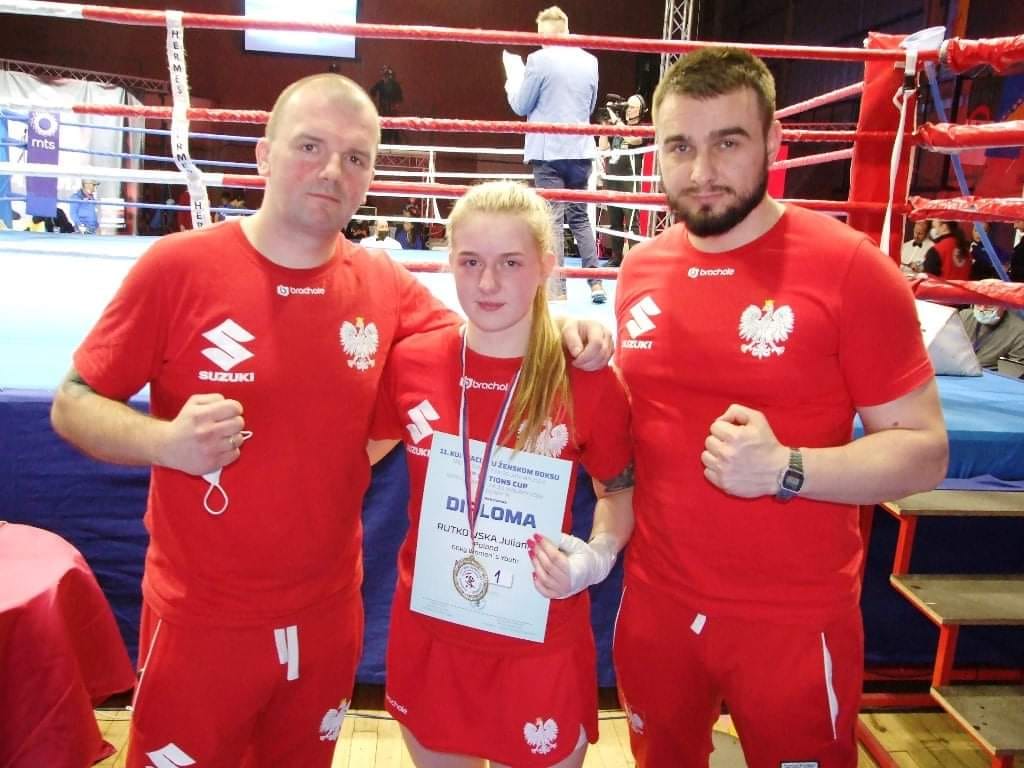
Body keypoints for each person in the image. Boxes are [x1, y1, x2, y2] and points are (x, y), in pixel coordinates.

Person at [49, 73, 611, 768]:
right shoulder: (179, 267)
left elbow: (491, 336)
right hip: (203, 619)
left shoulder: (383, 285)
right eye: (310, 146)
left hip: (327, 615)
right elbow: (72, 402)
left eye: (355, 157)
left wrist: (569, 328)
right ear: (263, 155)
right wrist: (162, 441)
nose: (331, 171)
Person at [612, 48, 948, 768]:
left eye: (727, 142)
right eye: (680, 146)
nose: (701, 170)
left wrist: (787, 469)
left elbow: (925, 448)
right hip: (656, 607)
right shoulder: (639, 269)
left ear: (772, 143)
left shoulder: (851, 269)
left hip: (791, 622)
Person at [368, 181, 634, 767]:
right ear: (449, 262)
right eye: (471, 262)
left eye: (510, 263)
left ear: (546, 264)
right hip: (434, 633)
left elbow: (618, 489)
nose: (487, 284)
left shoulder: (584, 377)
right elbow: (342, 462)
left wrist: (596, 558)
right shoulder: (411, 362)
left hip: (539, 635)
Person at [507, 6, 606, 304]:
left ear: (545, 33)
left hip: (549, 151)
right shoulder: (590, 61)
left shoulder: (539, 60)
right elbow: (588, 107)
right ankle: (596, 284)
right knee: (580, 218)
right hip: (580, 149)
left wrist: (512, 83)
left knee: (552, 218)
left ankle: (557, 290)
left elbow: (521, 105)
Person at [598, 94, 649, 266]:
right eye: (628, 106)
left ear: (641, 111)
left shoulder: (643, 129)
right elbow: (604, 148)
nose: (629, 110)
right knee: (614, 222)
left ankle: (636, 262)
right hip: (613, 179)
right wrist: (604, 126)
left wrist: (615, 120)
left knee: (631, 222)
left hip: (630, 181)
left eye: (633, 107)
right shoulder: (619, 129)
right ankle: (616, 258)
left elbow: (633, 139)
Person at [958, 280, 1024, 368]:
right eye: (979, 303)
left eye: (989, 305)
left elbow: (1014, 372)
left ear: (1005, 304)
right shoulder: (964, 316)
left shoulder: (1019, 331)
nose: (982, 309)